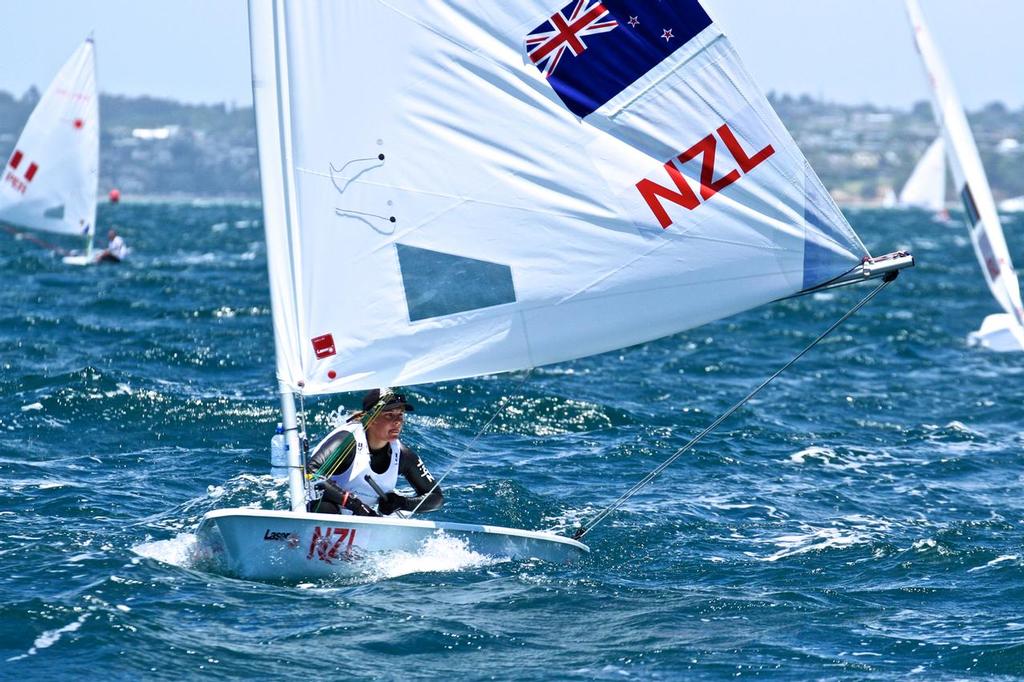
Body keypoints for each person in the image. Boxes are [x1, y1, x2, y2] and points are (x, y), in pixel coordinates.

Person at [306, 388, 444, 516]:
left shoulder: (402, 454)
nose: (397, 422)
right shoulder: (347, 441)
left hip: (360, 521)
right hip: (320, 511)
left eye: (400, 415)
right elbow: (310, 472)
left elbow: (436, 497)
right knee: (326, 508)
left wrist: (402, 503)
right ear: (370, 419)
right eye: (389, 415)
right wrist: (355, 505)